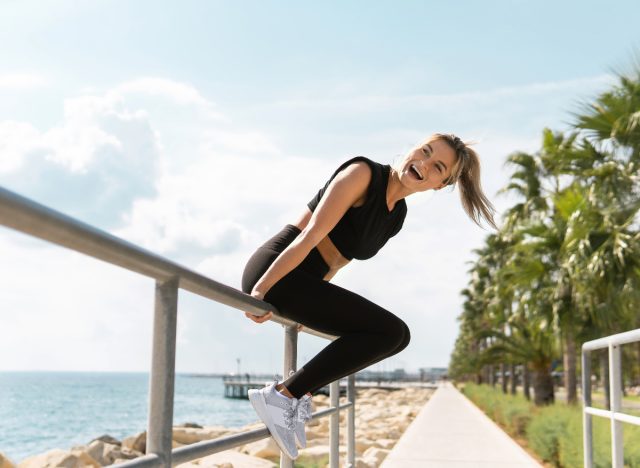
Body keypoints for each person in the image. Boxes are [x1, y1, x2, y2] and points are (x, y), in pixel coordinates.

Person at [241, 133, 497, 459]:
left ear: (439, 185)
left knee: (396, 337)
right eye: (425, 151)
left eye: (437, 167)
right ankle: (283, 396)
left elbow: (336, 260)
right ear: (412, 147)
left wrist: (309, 307)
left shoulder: (396, 216)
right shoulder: (363, 174)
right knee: (390, 331)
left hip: (303, 281)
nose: (424, 163)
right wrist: (263, 288)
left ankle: (288, 395)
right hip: (277, 268)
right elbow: (310, 235)